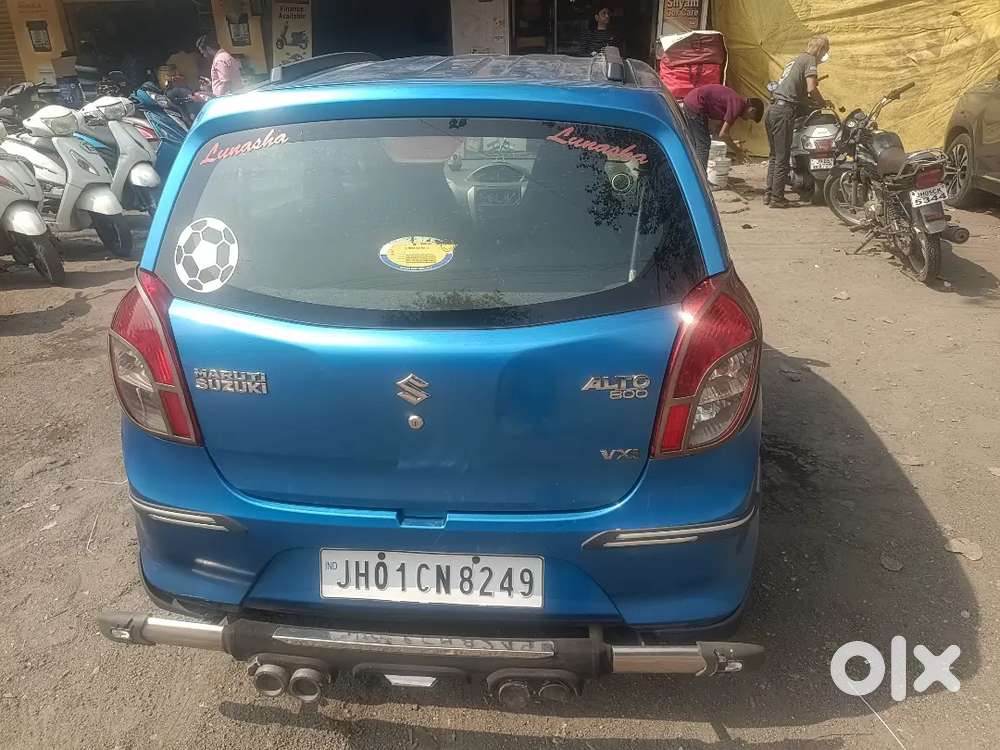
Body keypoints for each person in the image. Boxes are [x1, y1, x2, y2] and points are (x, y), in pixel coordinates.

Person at [765, 34, 830, 207]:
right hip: (784, 112)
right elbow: (811, 88)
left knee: (774, 155)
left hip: (772, 109)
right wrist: (822, 102)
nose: (824, 56)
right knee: (782, 156)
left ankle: (769, 194)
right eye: (825, 51)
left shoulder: (795, 60)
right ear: (821, 50)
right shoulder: (810, 60)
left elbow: (794, 91)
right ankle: (777, 199)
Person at [682, 84, 764, 168]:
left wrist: (733, 143)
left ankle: (690, 171)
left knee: (694, 143)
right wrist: (738, 151)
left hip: (691, 101)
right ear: (752, 110)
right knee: (703, 145)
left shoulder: (735, 102)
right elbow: (723, 134)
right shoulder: (738, 105)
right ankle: (700, 177)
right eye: (750, 117)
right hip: (696, 104)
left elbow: (719, 131)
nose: (747, 120)